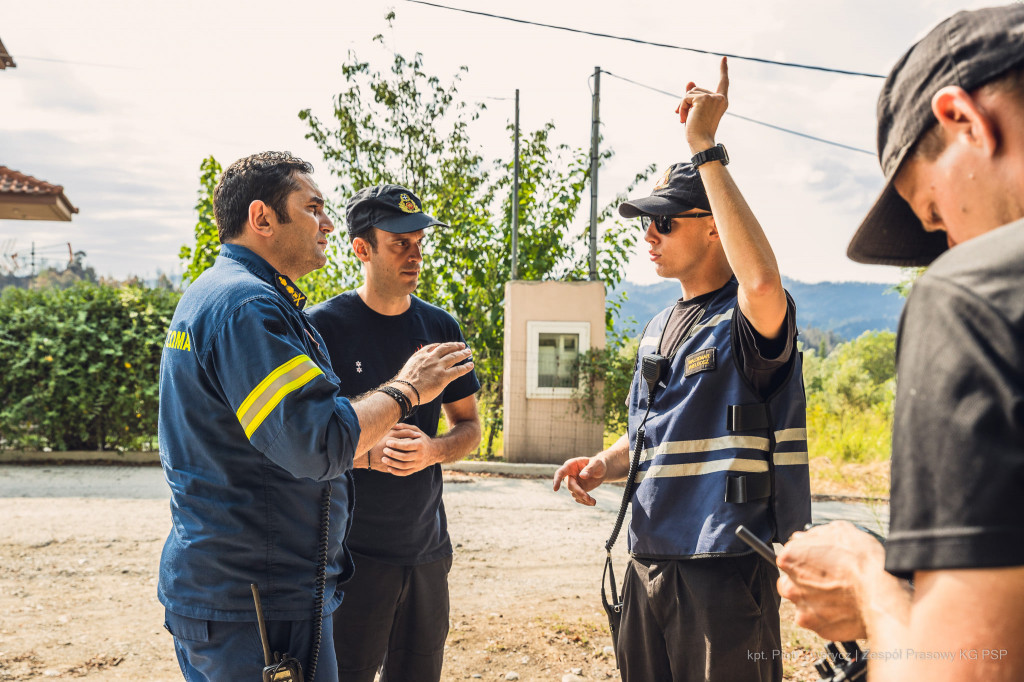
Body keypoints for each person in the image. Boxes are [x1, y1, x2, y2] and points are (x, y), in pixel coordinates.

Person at [157, 152, 474, 682]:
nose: (326, 223)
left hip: (251, 591)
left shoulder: (232, 297)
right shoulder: (247, 308)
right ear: (262, 219)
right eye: (313, 209)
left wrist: (426, 448)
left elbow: (286, 437)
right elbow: (316, 443)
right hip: (258, 600)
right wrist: (407, 388)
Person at [776, 5, 1024, 680]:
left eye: (936, 216)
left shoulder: (976, 297)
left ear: (963, 120)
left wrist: (865, 578)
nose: (950, 249)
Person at [552, 58, 810, 682]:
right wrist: (604, 465)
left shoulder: (749, 318)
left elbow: (763, 278)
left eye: (665, 220)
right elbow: (654, 434)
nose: (650, 233)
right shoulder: (658, 327)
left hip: (725, 566)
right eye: (648, 221)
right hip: (649, 561)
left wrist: (705, 149)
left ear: (715, 230)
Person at [307, 184, 482, 682]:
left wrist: (433, 451)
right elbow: (305, 441)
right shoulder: (321, 329)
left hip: (427, 552)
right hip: (350, 556)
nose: (415, 254)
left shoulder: (440, 327)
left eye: (419, 241)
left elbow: (469, 427)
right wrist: (364, 452)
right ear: (361, 249)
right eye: (399, 242)